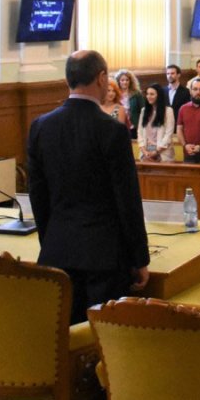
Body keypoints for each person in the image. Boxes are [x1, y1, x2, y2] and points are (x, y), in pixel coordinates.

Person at [27, 50, 149, 324]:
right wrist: (139, 257)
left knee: (64, 338)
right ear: (102, 78)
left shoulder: (40, 126)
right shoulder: (112, 131)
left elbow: (38, 194)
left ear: (67, 79)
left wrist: (50, 240)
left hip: (57, 251)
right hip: (104, 256)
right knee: (102, 339)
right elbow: (127, 199)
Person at [136, 83, 175, 162]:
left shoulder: (168, 111)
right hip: (146, 153)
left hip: (162, 153)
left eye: (152, 94)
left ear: (159, 96)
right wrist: (145, 151)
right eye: (147, 94)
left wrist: (156, 152)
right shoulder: (144, 111)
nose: (148, 96)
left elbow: (168, 135)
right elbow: (139, 132)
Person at [114, 68, 143, 134]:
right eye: (122, 80)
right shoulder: (115, 94)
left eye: (127, 80)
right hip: (119, 126)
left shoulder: (136, 94)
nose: (125, 82)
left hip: (134, 127)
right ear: (118, 81)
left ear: (130, 81)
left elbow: (143, 110)